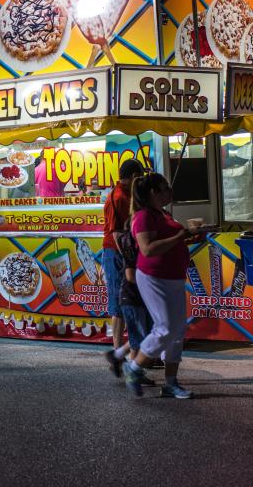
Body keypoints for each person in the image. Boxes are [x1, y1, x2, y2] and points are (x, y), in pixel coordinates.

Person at [123, 173, 200, 399]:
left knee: (177, 332)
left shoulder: (161, 214)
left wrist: (189, 239)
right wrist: (180, 237)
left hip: (174, 277)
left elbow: (167, 243)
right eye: (165, 188)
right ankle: (134, 367)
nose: (170, 191)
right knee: (165, 327)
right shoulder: (143, 216)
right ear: (153, 193)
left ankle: (170, 383)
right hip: (154, 277)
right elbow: (147, 249)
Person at [101, 158, 145, 374]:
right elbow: (117, 232)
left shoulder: (127, 194)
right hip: (114, 252)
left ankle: (123, 352)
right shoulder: (119, 197)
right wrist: (128, 257)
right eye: (140, 176)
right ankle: (118, 350)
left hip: (119, 252)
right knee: (119, 304)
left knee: (124, 303)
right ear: (133, 176)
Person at [106, 214, 155, 383]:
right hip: (133, 296)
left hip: (138, 296)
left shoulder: (137, 247)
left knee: (145, 334)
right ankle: (134, 371)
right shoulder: (132, 249)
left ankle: (119, 356)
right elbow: (130, 276)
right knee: (140, 336)